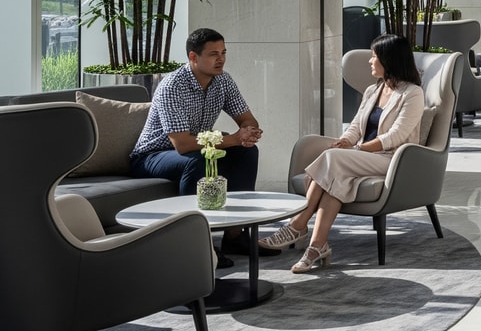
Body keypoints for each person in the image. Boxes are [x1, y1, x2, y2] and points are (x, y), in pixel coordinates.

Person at [259, 33, 424, 273]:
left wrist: (357, 149)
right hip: (361, 158)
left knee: (332, 160)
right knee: (337, 177)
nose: (370, 61)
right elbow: (356, 126)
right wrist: (345, 142)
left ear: (389, 60)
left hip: (392, 159)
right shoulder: (373, 90)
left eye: (374, 56)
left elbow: (396, 137)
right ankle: (317, 246)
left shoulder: (412, 93)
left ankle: (297, 224)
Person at [129, 28, 266, 263]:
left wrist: (247, 132)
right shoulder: (172, 86)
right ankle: (197, 244)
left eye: (223, 52)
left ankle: (235, 235)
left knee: (247, 152)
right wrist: (233, 138)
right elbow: (181, 144)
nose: (221, 59)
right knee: (200, 159)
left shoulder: (223, 80)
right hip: (153, 155)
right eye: (213, 54)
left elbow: (246, 117)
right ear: (193, 57)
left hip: (198, 148)